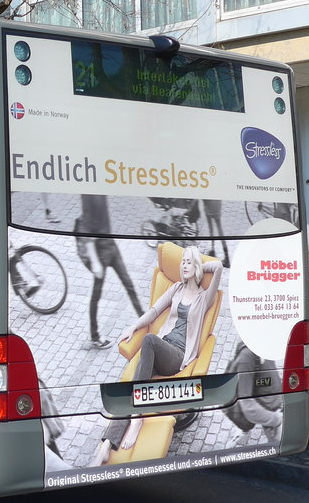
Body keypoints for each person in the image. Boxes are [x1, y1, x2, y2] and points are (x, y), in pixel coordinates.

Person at [92, 245, 222, 466]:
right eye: (182, 262)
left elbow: (218, 266)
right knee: (131, 388)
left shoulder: (204, 297)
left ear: (197, 267)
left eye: (188, 262)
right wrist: (133, 327)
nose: (184, 265)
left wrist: (199, 263)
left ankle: (137, 419)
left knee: (149, 340)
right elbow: (154, 311)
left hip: (177, 356)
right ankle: (106, 445)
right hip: (161, 348)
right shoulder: (177, 289)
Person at [75, 194, 143, 349]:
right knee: (96, 295)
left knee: (129, 284)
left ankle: (144, 320)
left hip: (111, 246)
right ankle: (95, 337)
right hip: (100, 252)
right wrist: (95, 262)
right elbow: (87, 229)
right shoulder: (88, 195)